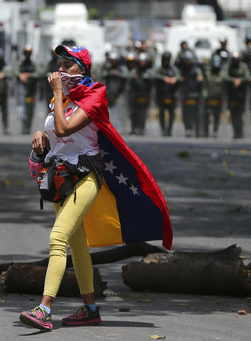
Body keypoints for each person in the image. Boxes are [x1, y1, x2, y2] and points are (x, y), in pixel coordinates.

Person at [20, 45, 172, 331]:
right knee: (77, 247)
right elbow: (55, 135)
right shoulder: (59, 100)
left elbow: (66, 129)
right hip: (58, 180)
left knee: (57, 238)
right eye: (60, 63)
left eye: (68, 64)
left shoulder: (94, 94)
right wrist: (39, 135)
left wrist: (56, 91)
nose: (61, 68)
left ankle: (44, 308)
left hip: (85, 177)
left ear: (83, 69)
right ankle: (90, 309)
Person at [224, 51, 250, 139]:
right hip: (232, 94)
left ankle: (241, 132)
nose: (235, 61)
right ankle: (236, 132)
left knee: (240, 113)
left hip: (242, 94)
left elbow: (247, 76)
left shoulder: (243, 66)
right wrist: (233, 80)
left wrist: (240, 80)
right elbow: (224, 76)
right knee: (233, 114)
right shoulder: (229, 66)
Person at [179, 50, 204, 137]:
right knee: (186, 113)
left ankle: (197, 129)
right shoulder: (182, 70)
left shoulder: (196, 69)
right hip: (186, 94)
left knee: (196, 113)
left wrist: (200, 78)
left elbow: (201, 78)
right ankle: (188, 129)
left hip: (195, 94)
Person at [129, 52, 154, 135]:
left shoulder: (149, 71)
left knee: (143, 113)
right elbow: (129, 76)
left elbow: (152, 78)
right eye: (141, 61)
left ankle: (141, 128)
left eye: (144, 61)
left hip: (145, 94)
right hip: (135, 94)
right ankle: (133, 128)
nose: (142, 63)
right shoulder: (135, 70)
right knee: (134, 112)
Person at [155, 51, 179, 136]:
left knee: (171, 114)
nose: (165, 61)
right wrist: (163, 78)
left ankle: (169, 130)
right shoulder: (159, 69)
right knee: (161, 113)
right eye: (164, 59)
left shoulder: (173, 69)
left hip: (171, 95)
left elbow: (179, 76)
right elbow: (153, 75)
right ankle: (163, 130)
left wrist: (175, 79)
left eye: (167, 59)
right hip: (161, 95)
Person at [18, 45, 38, 134]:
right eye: (26, 53)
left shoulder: (34, 64)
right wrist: (20, 75)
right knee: (21, 109)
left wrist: (29, 75)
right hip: (21, 90)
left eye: (29, 53)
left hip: (31, 91)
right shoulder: (20, 63)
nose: (27, 55)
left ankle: (28, 127)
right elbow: (14, 71)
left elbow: (40, 73)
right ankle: (24, 127)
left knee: (30, 109)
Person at [203, 54, 225, 138]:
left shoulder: (222, 74)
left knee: (217, 116)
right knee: (207, 115)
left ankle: (215, 131)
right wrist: (205, 95)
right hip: (209, 99)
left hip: (218, 99)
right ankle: (206, 131)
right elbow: (205, 86)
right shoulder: (208, 74)